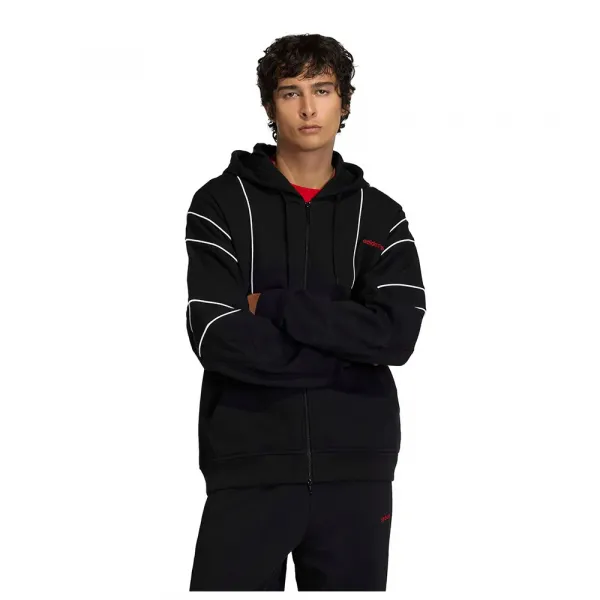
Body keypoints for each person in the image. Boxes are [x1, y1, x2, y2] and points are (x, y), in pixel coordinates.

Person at [185, 33, 426, 591]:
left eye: (322, 90)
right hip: (248, 469)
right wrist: (348, 355)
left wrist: (275, 306)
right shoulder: (220, 204)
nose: (309, 108)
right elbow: (214, 332)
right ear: (270, 105)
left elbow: (397, 336)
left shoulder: (381, 217)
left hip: (357, 474)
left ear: (344, 101)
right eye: (291, 92)